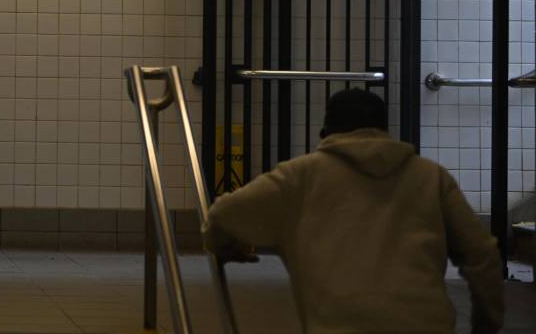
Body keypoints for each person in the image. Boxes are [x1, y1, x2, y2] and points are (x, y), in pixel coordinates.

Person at [203, 89, 504, 334]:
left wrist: (225, 244)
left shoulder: (300, 177)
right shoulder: (431, 177)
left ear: (326, 132)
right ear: (385, 131)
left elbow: (221, 215)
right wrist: (485, 326)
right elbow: (483, 255)